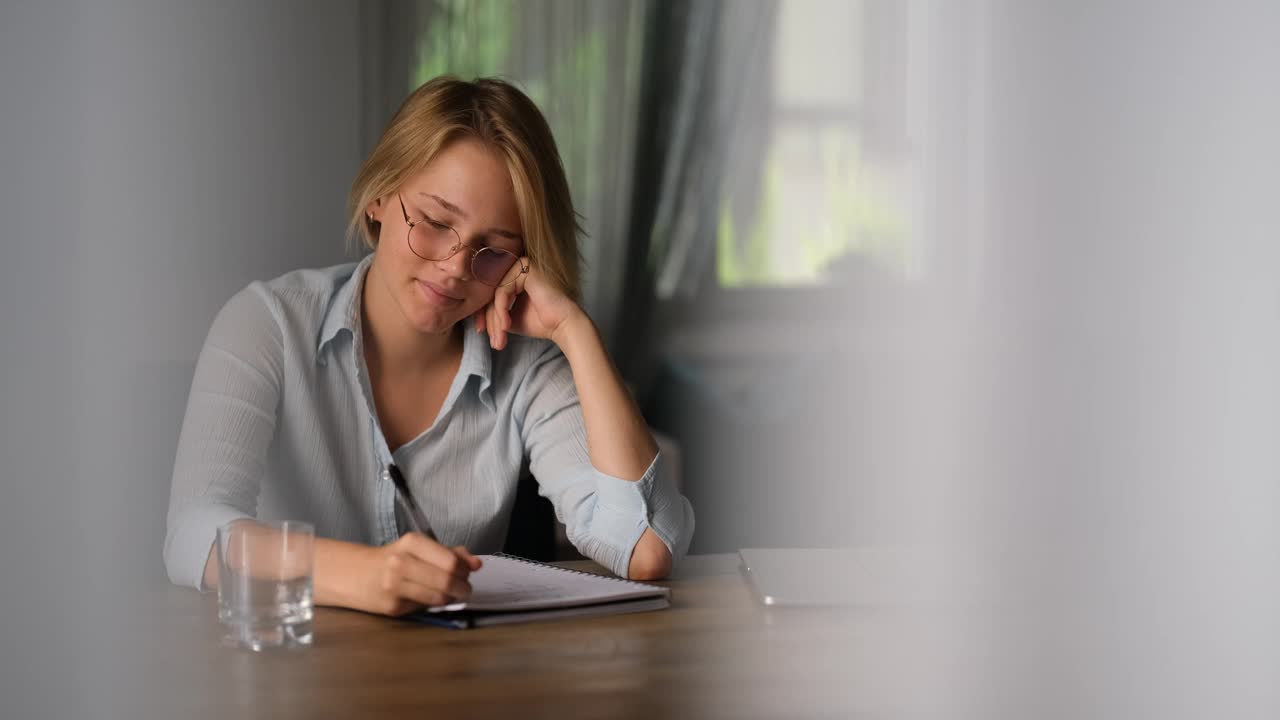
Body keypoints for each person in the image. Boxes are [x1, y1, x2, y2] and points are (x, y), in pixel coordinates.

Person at [163, 76, 694, 616]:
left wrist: (575, 332)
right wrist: (359, 575)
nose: (456, 268)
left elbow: (644, 549)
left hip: (457, 687)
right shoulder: (267, 323)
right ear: (378, 197)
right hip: (291, 678)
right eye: (436, 223)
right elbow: (192, 533)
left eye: (494, 250)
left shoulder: (531, 361)